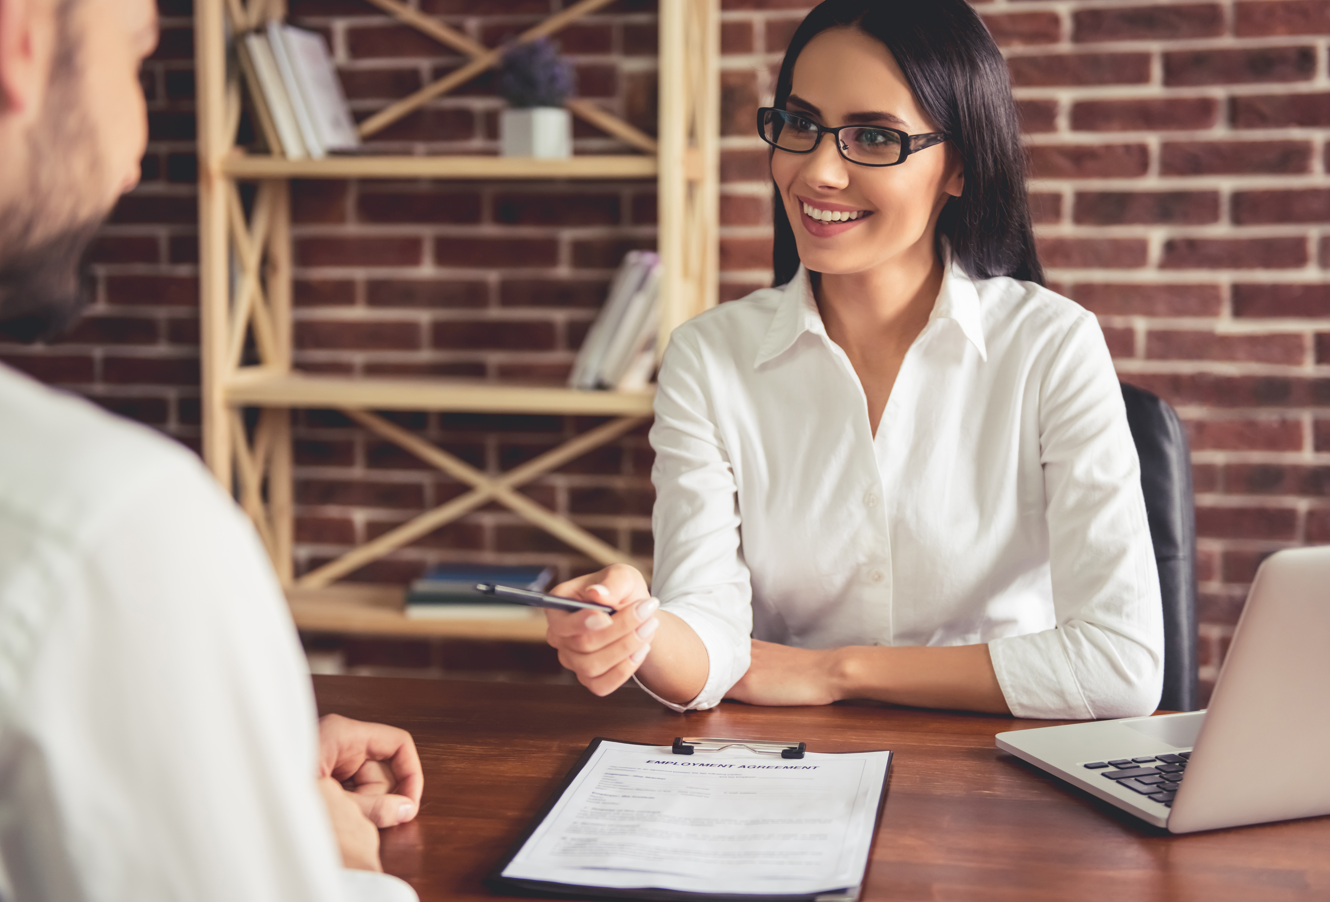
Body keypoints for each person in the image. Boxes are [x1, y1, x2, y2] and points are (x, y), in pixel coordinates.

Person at [543, 0, 1164, 721]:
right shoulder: (708, 359)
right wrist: (631, 624)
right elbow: (711, 641)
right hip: (787, 777)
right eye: (800, 124)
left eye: (874, 137)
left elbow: (1120, 665)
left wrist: (837, 671)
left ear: (959, 166)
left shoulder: (1052, 346)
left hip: (1005, 779)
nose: (819, 172)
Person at [0, 0, 423, 898]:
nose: (134, 159)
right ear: (19, 43)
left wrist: (225, 763)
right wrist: (338, 866)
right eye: (136, 61)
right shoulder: (110, 532)